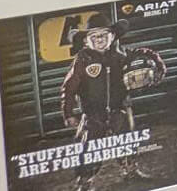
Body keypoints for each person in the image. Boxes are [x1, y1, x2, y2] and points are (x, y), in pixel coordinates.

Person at [59, 17, 166, 190]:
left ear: (113, 36)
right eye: (94, 36)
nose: (100, 39)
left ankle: (130, 170)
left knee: (126, 140)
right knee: (89, 148)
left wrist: (159, 65)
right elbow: (69, 87)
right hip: (93, 114)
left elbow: (146, 53)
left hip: (120, 109)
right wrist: (68, 113)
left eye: (104, 35)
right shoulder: (82, 61)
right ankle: (84, 183)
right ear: (86, 41)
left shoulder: (122, 55)